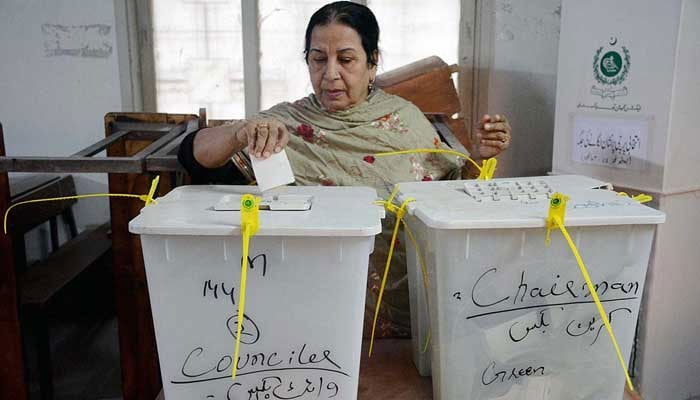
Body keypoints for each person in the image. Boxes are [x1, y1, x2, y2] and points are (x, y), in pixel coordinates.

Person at [178, 1, 511, 337]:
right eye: (319, 59)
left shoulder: (404, 121)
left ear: (372, 63)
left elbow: (450, 201)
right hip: (306, 315)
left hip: (408, 315)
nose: (331, 74)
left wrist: (480, 157)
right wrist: (239, 133)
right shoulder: (285, 125)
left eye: (347, 60)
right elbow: (193, 158)